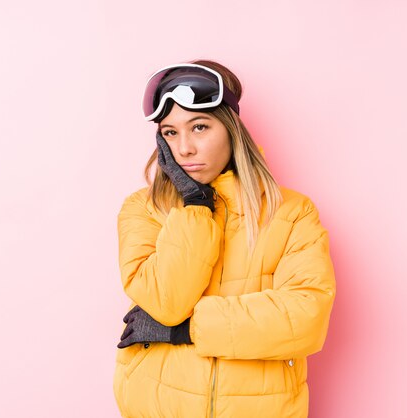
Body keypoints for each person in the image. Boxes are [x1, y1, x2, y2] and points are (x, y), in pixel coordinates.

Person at [113, 59, 336, 417]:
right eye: (170, 132)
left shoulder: (291, 212)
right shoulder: (144, 209)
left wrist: (184, 330)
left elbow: (305, 318)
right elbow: (165, 302)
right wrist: (195, 205)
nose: (184, 148)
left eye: (199, 127)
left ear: (231, 129)